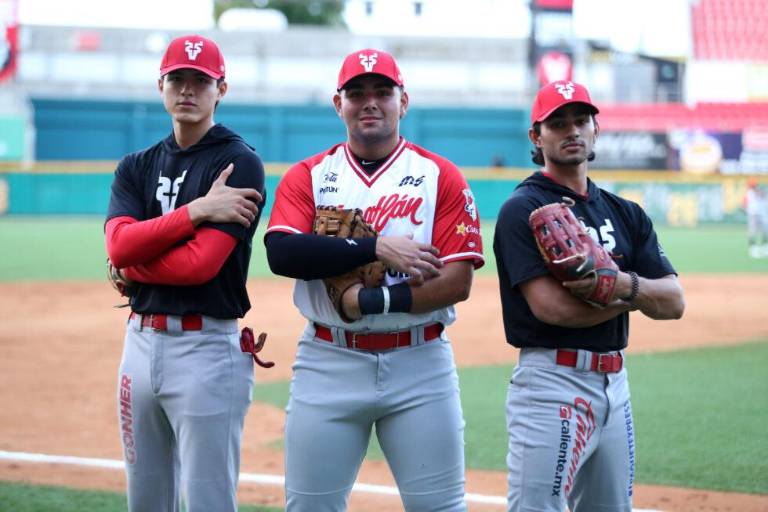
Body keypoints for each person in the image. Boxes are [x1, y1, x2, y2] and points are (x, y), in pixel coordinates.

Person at [264, 48, 484, 511]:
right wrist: (375, 247)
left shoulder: (439, 175)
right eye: (356, 93)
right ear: (338, 104)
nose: (370, 102)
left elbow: (457, 281)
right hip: (328, 358)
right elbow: (282, 253)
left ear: (403, 101)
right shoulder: (309, 176)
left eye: (382, 92)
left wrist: (367, 302)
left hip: (420, 361)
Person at [493, 80, 685, 512]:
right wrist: (637, 296)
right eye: (557, 123)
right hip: (552, 383)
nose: (572, 130)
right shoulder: (521, 209)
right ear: (536, 136)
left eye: (581, 120)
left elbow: (674, 301)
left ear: (596, 129)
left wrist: (622, 285)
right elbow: (552, 309)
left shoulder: (625, 212)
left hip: (616, 383)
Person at [104, 34, 266, 512]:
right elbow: (118, 246)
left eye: (201, 80)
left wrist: (133, 265)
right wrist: (197, 211)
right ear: (161, 85)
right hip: (138, 344)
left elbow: (199, 265)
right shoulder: (136, 166)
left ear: (221, 89)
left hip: (206, 349)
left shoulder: (239, 163)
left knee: (208, 501)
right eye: (177, 79)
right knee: (145, 500)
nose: (188, 89)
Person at [744, 179, 768, 258]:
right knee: (752, 232)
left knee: (765, 232)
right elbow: (744, 204)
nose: (753, 187)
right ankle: (753, 249)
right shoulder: (749, 193)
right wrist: (747, 211)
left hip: (763, 214)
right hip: (753, 214)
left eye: (753, 186)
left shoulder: (762, 191)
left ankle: (765, 248)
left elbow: (765, 200)